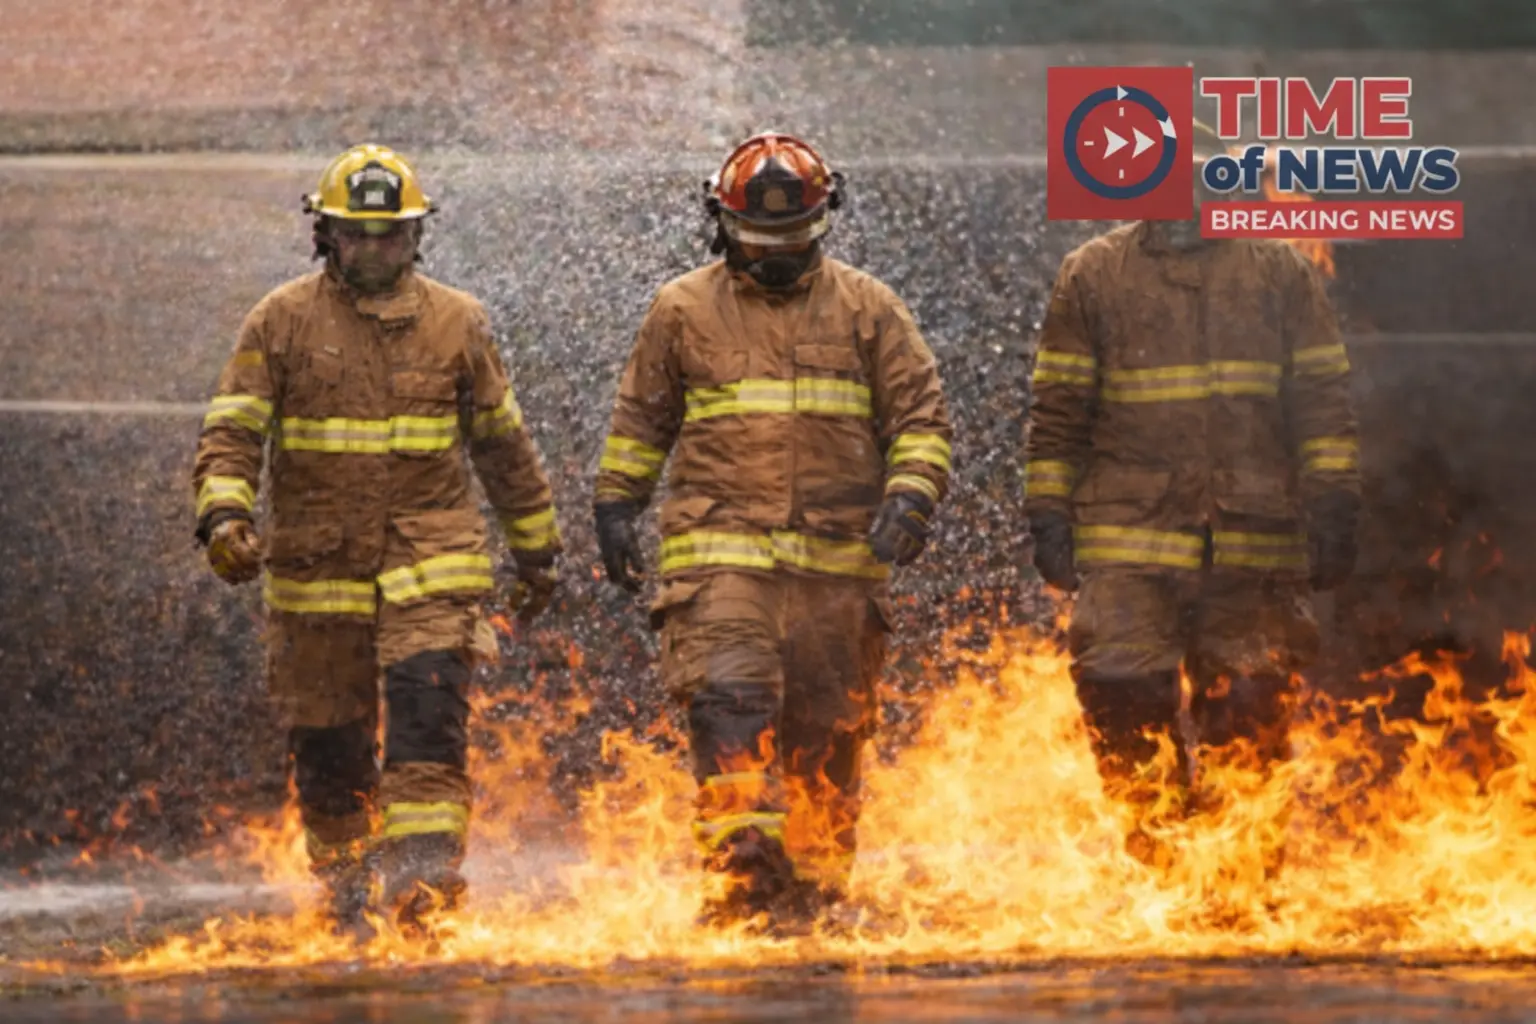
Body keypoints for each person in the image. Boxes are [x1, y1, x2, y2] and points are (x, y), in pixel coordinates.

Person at [191, 144, 562, 933]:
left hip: (432, 569)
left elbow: (503, 446)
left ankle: (423, 898)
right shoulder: (280, 321)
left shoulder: (459, 323)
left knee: (428, 733)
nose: (372, 249)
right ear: (324, 234)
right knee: (331, 755)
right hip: (314, 579)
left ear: (417, 236)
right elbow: (232, 434)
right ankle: (349, 900)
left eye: (388, 235)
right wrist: (225, 517)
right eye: (355, 234)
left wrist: (538, 552)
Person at [591, 131, 953, 927]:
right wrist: (617, 503)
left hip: (834, 574)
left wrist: (911, 496)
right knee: (732, 706)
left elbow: (921, 421)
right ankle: (744, 889)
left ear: (826, 220)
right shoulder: (681, 309)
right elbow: (639, 423)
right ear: (721, 223)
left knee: (825, 742)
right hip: (721, 564)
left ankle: (818, 903)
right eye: (760, 240)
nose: (779, 255)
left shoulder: (869, 309)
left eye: (797, 238)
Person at [1022, 123, 1362, 832]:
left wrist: (1334, 503)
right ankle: (1160, 861)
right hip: (1128, 546)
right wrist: (1048, 512)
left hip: (1253, 548)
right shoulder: (1093, 274)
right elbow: (1059, 411)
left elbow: (1323, 405)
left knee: (1247, 719)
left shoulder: (1281, 271)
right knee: (1121, 699)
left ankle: (1238, 879)